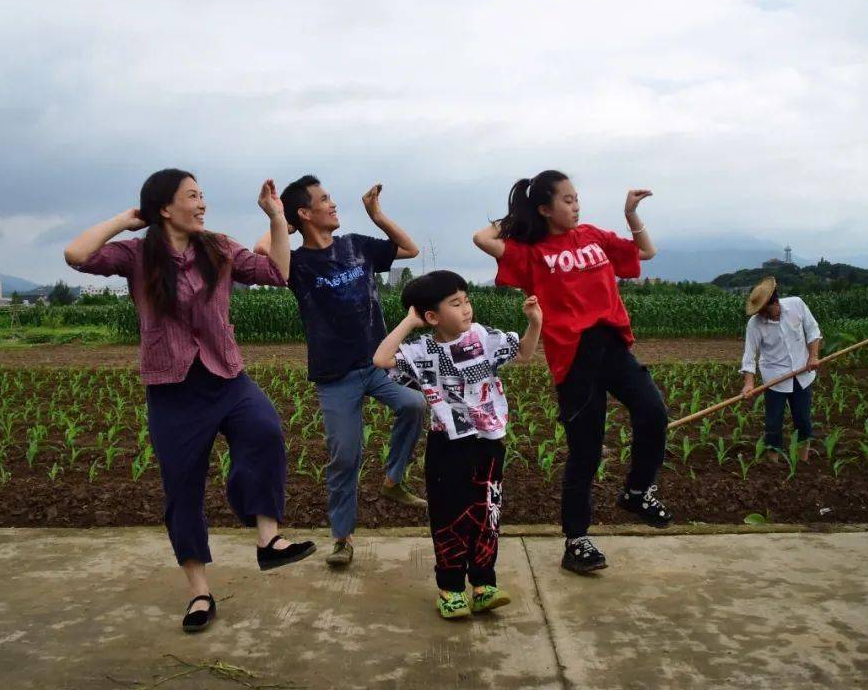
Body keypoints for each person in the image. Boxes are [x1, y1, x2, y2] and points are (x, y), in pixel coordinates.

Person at [64, 169, 315, 633]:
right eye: (193, 196)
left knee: (263, 430)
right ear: (165, 208)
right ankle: (199, 591)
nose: (203, 204)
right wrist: (124, 219)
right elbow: (77, 255)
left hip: (227, 375)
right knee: (183, 490)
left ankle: (267, 538)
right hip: (173, 389)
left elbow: (277, 273)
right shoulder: (138, 255)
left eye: (203, 196)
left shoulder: (217, 246)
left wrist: (278, 218)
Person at [472, 170, 672, 575]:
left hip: (612, 345)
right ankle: (576, 539)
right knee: (586, 451)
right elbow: (482, 238)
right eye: (566, 200)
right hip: (574, 357)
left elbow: (646, 252)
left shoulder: (595, 236)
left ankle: (637, 491)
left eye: (576, 197)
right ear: (545, 208)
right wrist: (518, 212)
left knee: (653, 412)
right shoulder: (532, 253)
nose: (575, 205)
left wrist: (631, 214)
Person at [254, 177, 427, 567]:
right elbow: (261, 249)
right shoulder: (296, 263)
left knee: (414, 404)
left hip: (377, 363)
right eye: (325, 199)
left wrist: (377, 214)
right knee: (345, 456)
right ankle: (343, 539)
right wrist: (280, 219)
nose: (334, 204)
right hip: (335, 376)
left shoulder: (356, 245)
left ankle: (393, 480)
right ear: (304, 212)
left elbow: (410, 249)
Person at [373, 271, 542, 619]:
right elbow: (381, 359)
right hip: (447, 444)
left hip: (490, 441)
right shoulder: (421, 350)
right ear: (431, 316)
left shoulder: (482, 337)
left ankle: (484, 584)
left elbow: (524, 353)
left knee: (486, 512)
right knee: (448, 514)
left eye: (466, 300)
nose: (466, 308)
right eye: (455, 303)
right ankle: (450, 589)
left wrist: (534, 323)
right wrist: (409, 321)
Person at [741, 277, 822, 461]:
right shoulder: (754, 324)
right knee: (773, 423)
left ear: (775, 302)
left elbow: (813, 330)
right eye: (759, 312)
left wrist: (813, 356)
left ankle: (803, 460)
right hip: (774, 378)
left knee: (802, 419)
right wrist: (749, 383)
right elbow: (749, 355)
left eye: (765, 311)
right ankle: (773, 463)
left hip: (802, 374)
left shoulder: (797, 305)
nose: (762, 315)